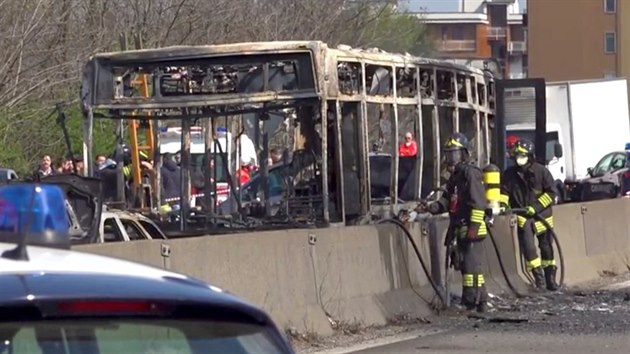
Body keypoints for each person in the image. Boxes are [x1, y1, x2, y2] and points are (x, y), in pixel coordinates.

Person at [420, 132, 489, 312]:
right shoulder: (455, 177)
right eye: (449, 154)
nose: (451, 158)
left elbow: (478, 203)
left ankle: (470, 302)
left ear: (465, 153)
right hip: (460, 228)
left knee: (470, 268)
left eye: (455, 153)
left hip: (472, 228)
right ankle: (481, 301)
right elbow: (447, 201)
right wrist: (430, 207)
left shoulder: (470, 174)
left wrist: (473, 228)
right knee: (469, 266)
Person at [499, 138, 558, 291]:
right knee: (529, 250)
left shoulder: (541, 172)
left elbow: (551, 193)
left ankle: (550, 278)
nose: (519, 158)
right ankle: (539, 279)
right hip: (522, 217)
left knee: (546, 248)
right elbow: (504, 192)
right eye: (517, 155)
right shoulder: (510, 174)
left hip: (542, 217)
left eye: (522, 155)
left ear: (530, 156)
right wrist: (504, 204)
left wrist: (536, 207)